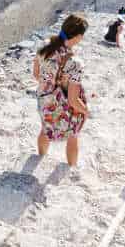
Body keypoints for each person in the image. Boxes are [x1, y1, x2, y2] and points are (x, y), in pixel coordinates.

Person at [32, 14, 90, 166]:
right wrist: (86, 111)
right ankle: (71, 167)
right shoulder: (75, 62)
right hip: (62, 102)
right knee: (73, 134)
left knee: (45, 127)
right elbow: (73, 100)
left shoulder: (44, 47)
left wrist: (50, 85)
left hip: (44, 98)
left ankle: (40, 158)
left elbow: (36, 74)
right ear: (77, 37)